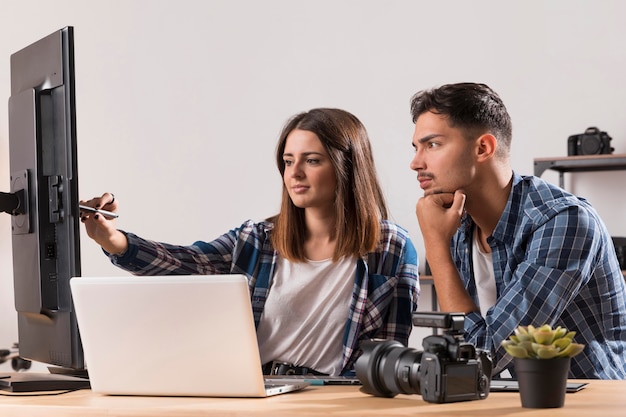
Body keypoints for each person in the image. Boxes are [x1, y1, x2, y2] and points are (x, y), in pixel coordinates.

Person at [80, 107, 419, 377]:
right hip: (262, 394)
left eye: (312, 160)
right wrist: (113, 239)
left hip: (338, 400)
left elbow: (387, 359)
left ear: (348, 166)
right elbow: (184, 262)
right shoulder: (256, 240)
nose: (294, 173)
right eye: (288, 161)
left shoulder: (391, 248)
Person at [409, 82, 626, 379]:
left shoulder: (563, 222)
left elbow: (484, 357)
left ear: (483, 148)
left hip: (583, 405)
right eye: (416, 147)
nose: (415, 163)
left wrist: (435, 246)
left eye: (432, 145)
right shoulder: (460, 227)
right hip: (508, 402)